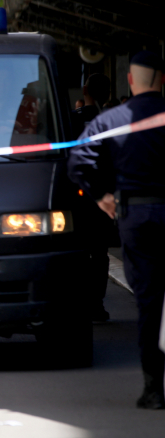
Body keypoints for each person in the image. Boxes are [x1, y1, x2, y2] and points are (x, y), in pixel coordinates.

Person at [68, 51, 165, 409]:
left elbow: (78, 162)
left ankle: (154, 388)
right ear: (163, 80)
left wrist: (101, 196)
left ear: (130, 81)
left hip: (136, 216)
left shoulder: (112, 120)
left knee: (150, 301)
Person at [71, 73, 116, 322]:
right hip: (104, 197)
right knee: (100, 253)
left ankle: (78, 303)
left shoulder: (71, 119)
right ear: (108, 93)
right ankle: (96, 305)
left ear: (84, 89)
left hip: (76, 197)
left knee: (78, 252)